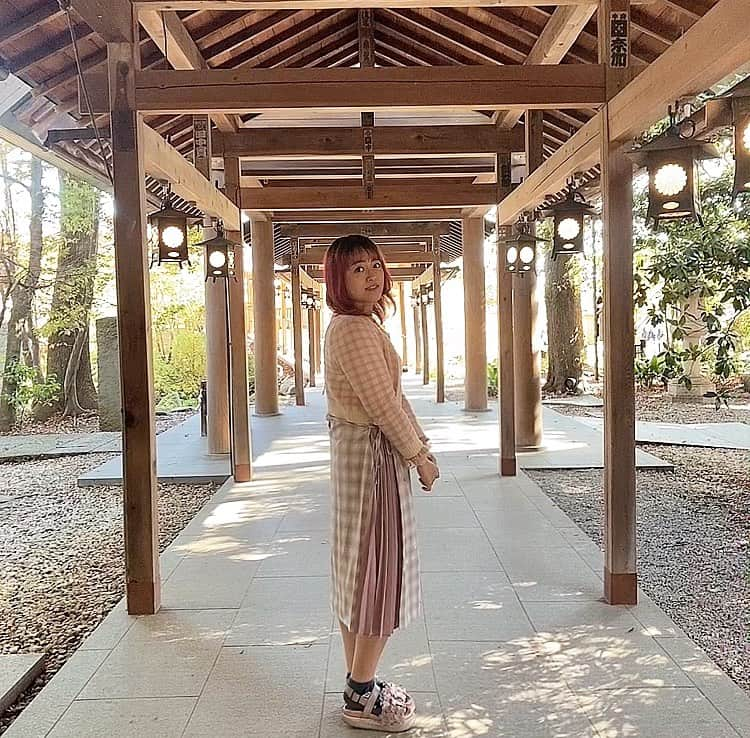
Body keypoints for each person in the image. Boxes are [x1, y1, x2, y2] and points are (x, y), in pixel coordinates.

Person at [323, 234, 439, 732]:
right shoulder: (353, 329)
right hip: (372, 463)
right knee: (378, 572)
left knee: (359, 573)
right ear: (338, 280)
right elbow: (383, 405)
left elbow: (392, 396)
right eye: (357, 269)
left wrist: (421, 443)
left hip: (362, 457)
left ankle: (359, 682)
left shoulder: (360, 325)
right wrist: (417, 457)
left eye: (374, 264)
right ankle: (362, 697)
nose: (371, 274)